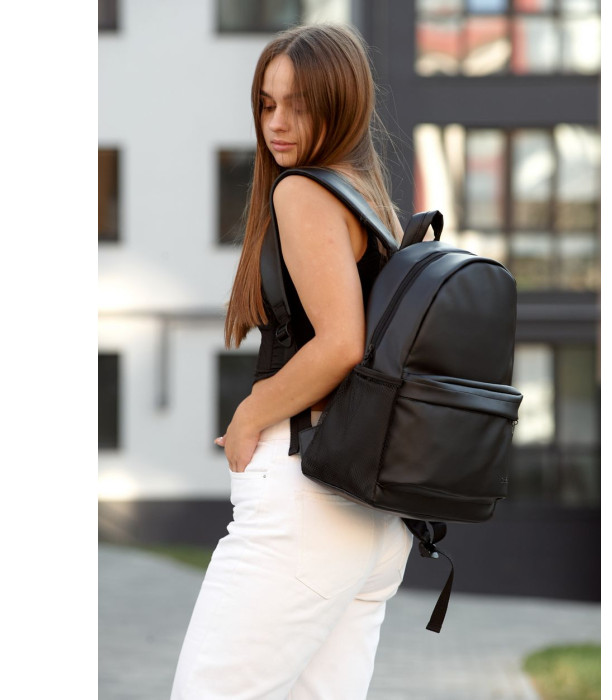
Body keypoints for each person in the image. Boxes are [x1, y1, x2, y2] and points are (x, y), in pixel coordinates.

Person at [170, 23, 413, 700]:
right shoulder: (373, 203)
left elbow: (341, 343)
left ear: (342, 104)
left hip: (305, 503)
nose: (276, 123)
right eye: (266, 103)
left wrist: (249, 415)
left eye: (298, 106)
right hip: (370, 516)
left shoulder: (302, 191)